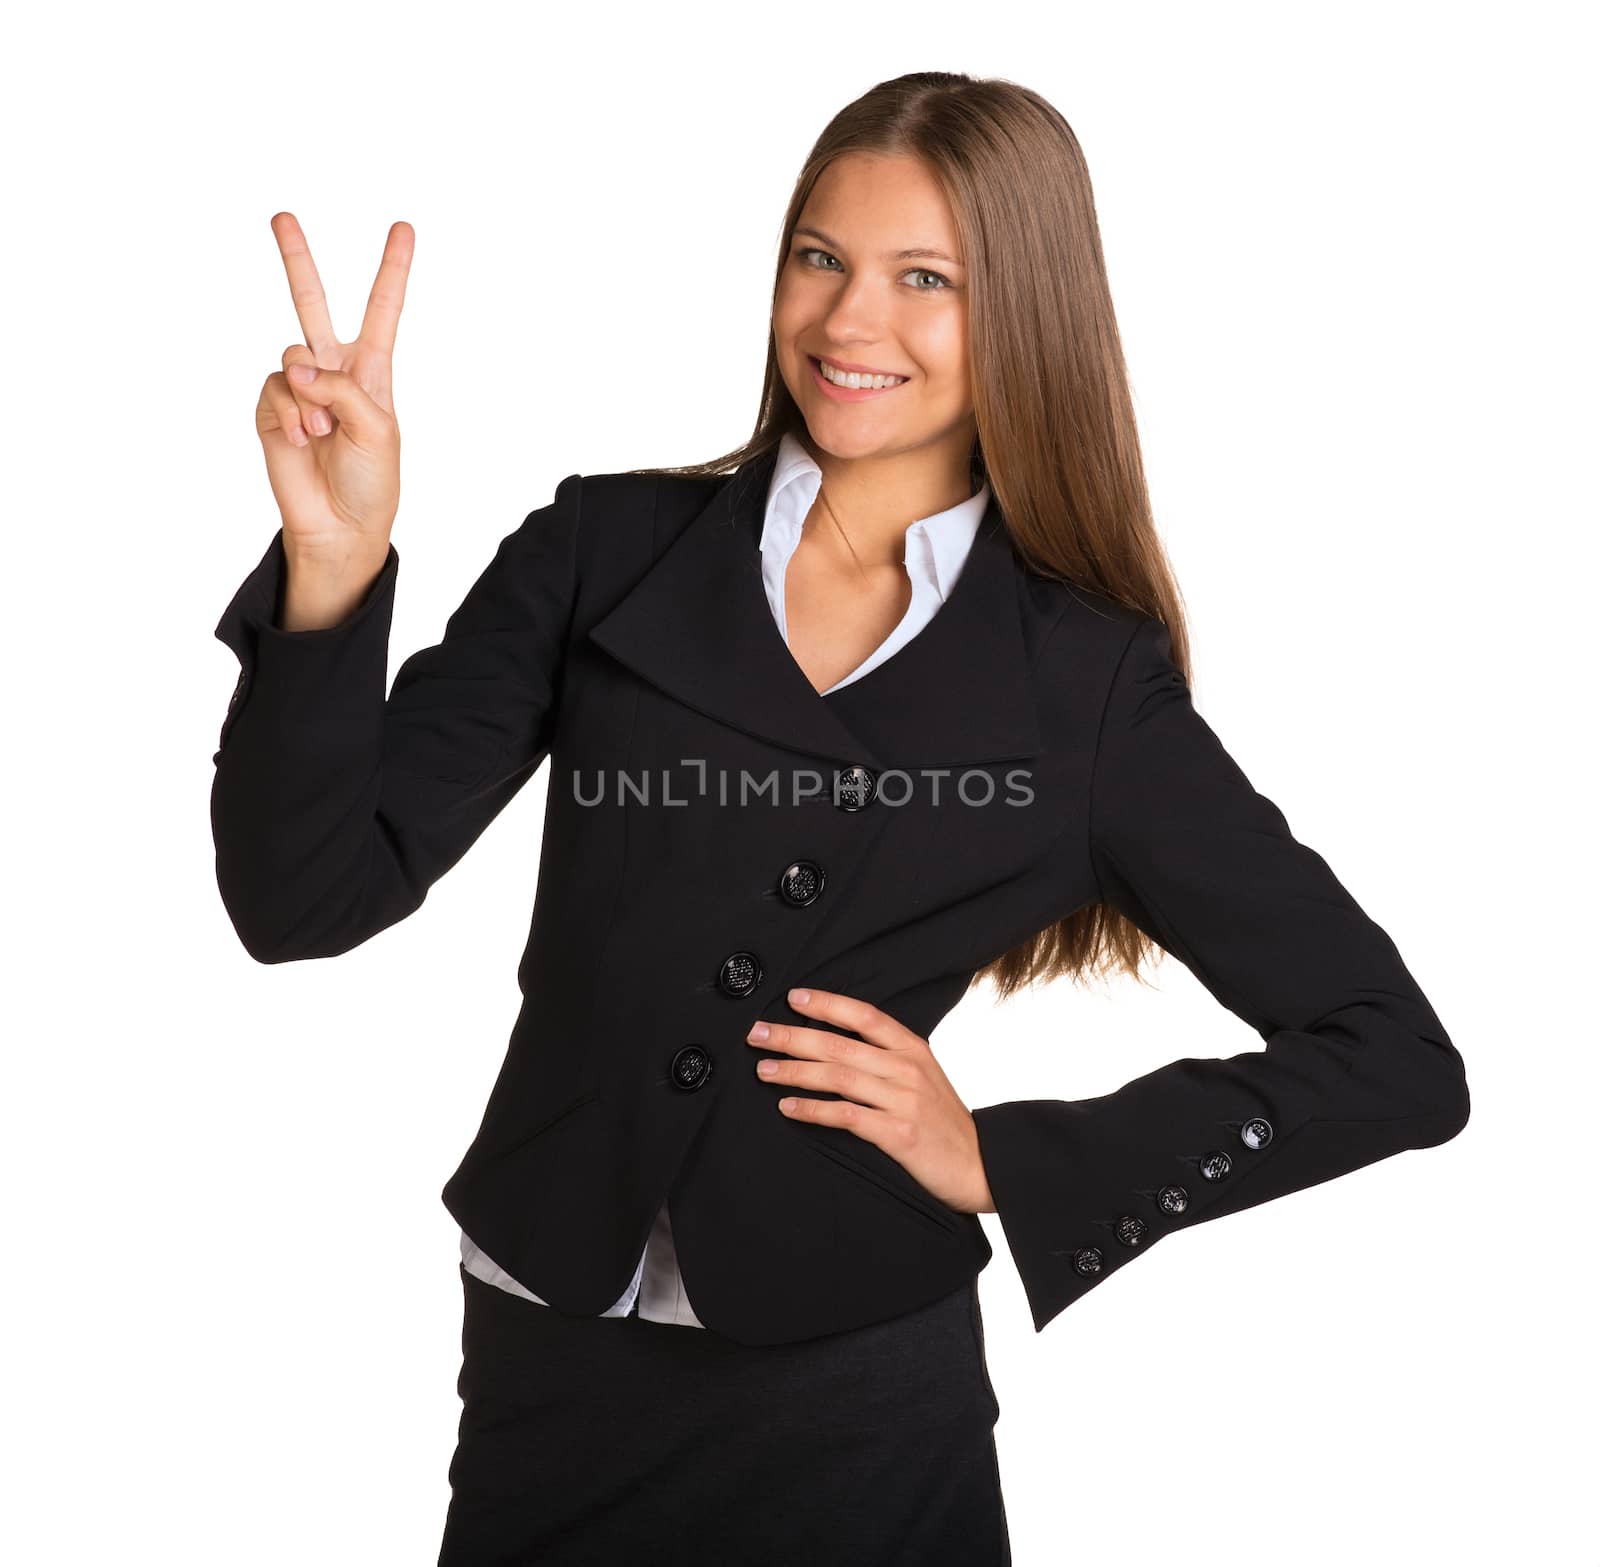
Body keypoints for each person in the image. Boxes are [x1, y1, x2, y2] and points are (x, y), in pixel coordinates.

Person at [210, 70, 1469, 1567]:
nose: (847, 323)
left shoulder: (1084, 680)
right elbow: (301, 899)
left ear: (1028, 312)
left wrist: (1008, 1160)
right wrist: (333, 570)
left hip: (853, 1393)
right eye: (820, 257)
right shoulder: (603, 549)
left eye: (924, 278)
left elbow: (1396, 1060)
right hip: (551, 1359)